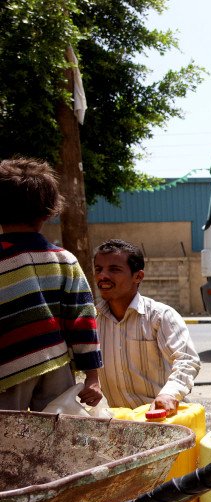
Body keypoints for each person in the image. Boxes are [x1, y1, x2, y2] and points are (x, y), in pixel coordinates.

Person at [0, 157, 103, 411]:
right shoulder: (65, 261)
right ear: (48, 212)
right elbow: (83, 320)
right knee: (55, 442)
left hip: (6, 369)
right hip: (56, 368)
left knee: (8, 442)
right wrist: (92, 377)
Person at [93, 239, 200, 415]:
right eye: (99, 269)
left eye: (114, 269)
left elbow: (187, 360)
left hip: (161, 420)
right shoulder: (92, 320)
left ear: (138, 276)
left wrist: (169, 394)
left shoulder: (160, 316)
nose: (103, 276)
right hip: (121, 424)